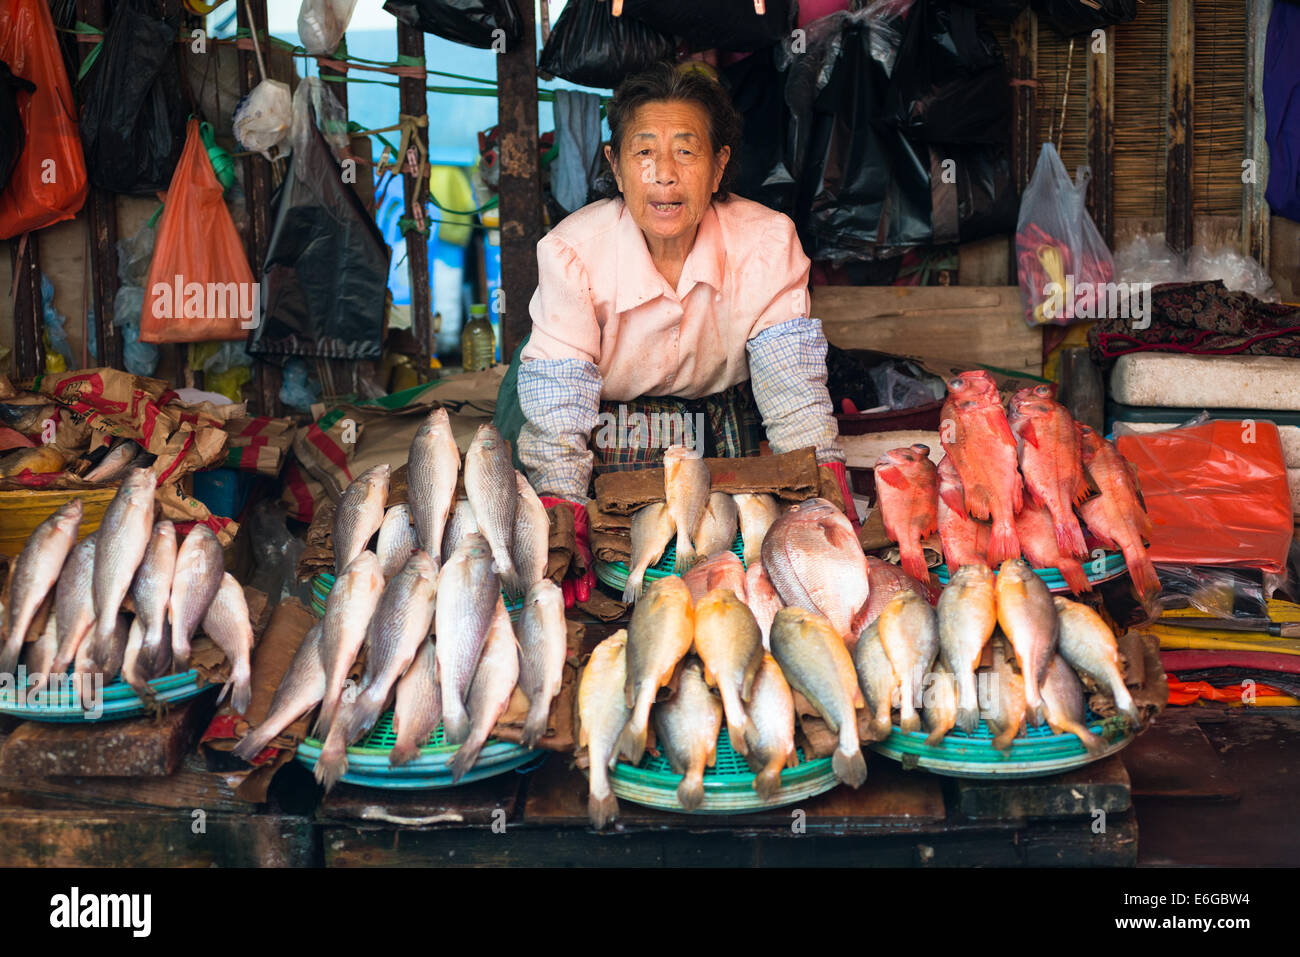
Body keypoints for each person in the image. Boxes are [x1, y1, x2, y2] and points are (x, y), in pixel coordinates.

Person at [496, 62, 856, 600]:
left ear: (718, 168)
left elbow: (792, 390)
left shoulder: (767, 243)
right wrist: (558, 505)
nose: (664, 173)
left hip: (711, 400)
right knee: (541, 487)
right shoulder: (572, 251)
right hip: (581, 397)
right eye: (644, 152)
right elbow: (560, 407)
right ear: (616, 169)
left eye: (686, 152)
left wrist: (823, 484)